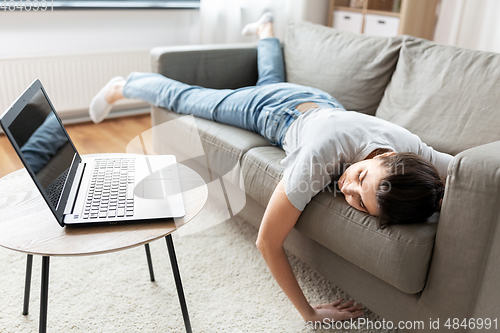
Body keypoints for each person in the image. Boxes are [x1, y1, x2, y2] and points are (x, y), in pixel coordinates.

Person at [89, 13, 452, 323]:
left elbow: (471, 175)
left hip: (324, 104)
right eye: (360, 177)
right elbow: (268, 241)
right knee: (192, 99)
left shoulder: (415, 160)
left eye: (359, 201)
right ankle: (125, 85)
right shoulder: (320, 157)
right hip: (276, 113)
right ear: (382, 158)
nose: (346, 188)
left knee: (270, 81)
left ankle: (265, 29)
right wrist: (309, 313)